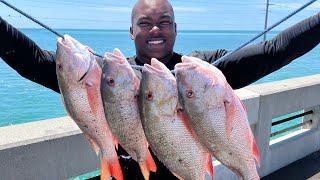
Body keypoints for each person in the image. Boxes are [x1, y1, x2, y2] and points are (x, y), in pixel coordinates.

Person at [0, 0, 319, 179]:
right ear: (130, 31)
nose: (155, 29)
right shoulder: (111, 78)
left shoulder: (199, 73)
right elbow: (36, 63)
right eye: (144, 23)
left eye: (164, 21)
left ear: (176, 29)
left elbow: (275, 50)